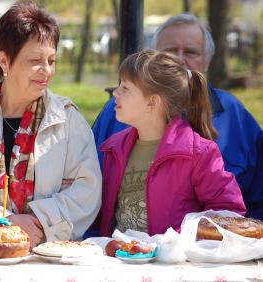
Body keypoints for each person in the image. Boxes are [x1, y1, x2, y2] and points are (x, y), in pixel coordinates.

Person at [0, 2, 101, 247]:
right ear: (4, 60)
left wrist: (36, 222)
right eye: (35, 60)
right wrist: (5, 221)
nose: (46, 71)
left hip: (49, 252)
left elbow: (87, 190)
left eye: (51, 60)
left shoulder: (68, 120)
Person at [93, 14, 263, 220]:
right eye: (170, 51)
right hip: (117, 248)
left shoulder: (233, 113)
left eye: (191, 52)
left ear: (207, 62)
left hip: (196, 248)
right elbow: (91, 187)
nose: (180, 59)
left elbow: (250, 200)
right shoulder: (116, 111)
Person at [96, 50, 246, 236]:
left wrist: (181, 240)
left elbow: (228, 212)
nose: (115, 93)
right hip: (117, 261)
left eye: (125, 88)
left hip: (172, 264)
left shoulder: (199, 153)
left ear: (152, 102)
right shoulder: (113, 148)